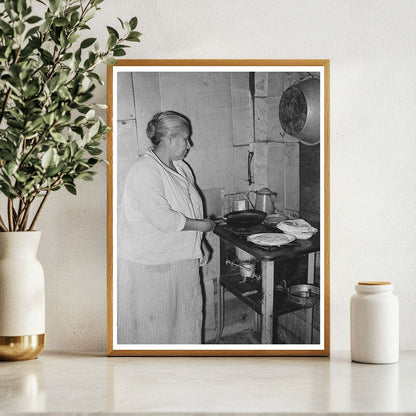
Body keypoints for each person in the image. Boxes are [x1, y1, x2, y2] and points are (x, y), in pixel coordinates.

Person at [117, 110, 216, 344]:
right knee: (157, 332)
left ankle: (180, 374)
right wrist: (204, 227)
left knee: (186, 323)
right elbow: (164, 219)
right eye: (185, 138)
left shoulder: (181, 167)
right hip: (152, 266)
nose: (189, 144)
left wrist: (199, 245)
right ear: (169, 139)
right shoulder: (144, 170)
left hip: (181, 262)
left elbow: (190, 209)